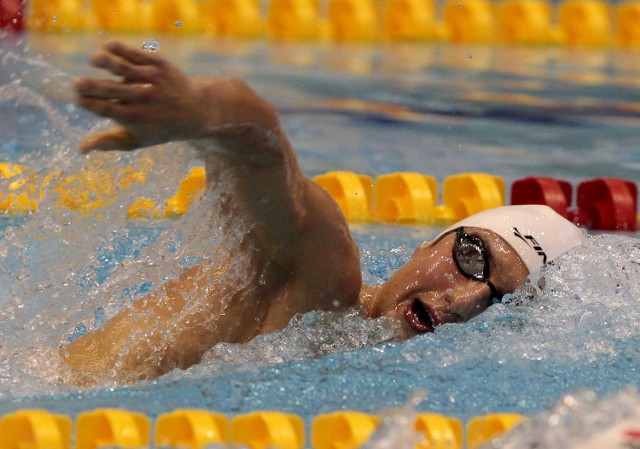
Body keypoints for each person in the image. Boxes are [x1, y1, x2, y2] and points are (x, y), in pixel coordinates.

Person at [60, 41, 585, 385]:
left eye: (499, 301)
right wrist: (202, 109)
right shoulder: (327, 278)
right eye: (473, 260)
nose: (468, 300)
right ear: (429, 241)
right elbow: (262, 141)